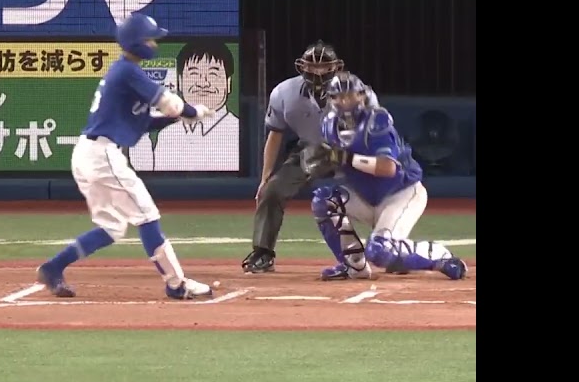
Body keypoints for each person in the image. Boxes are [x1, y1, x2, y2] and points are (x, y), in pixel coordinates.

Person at [36, 13, 216, 300]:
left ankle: (53, 267)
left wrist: (182, 116)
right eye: (150, 39)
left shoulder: (124, 73)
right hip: (102, 155)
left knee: (112, 227)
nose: (154, 44)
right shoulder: (128, 71)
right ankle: (176, 284)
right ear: (137, 42)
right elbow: (170, 104)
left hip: (89, 153)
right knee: (146, 215)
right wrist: (193, 111)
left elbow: (147, 121)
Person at [304, 72, 467, 281]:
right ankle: (354, 265)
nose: (344, 102)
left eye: (350, 95)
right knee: (323, 200)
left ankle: (439, 256)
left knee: (380, 251)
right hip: (365, 196)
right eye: (339, 97)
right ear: (331, 99)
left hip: (400, 193)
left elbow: (388, 168)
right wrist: (322, 165)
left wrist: (346, 157)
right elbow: (339, 165)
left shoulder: (377, 120)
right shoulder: (328, 125)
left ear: (361, 96)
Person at [241, 40, 379, 274]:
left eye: (324, 66)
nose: (318, 71)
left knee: (380, 197)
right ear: (301, 67)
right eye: (313, 66)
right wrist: (265, 178)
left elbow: (374, 134)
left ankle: (393, 248)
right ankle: (263, 252)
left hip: (352, 151)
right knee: (272, 191)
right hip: (311, 150)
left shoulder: (359, 91)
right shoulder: (284, 93)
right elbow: (275, 135)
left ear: (336, 67)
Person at [128, 39, 239, 171]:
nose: (203, 83)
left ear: (228, 82)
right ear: (180, 81)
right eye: (194, 74)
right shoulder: (168, 134)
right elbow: (147, 169)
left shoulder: (237, 131)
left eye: (213, 74)